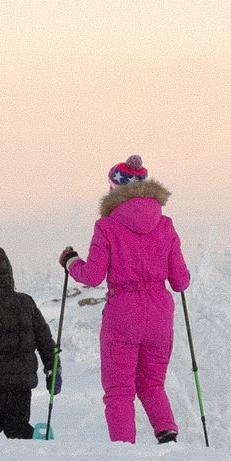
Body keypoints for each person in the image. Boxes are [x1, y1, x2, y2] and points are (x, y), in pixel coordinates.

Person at [60, 156, 190, 445]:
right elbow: (181, 281)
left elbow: (93, 276)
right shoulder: (166, 225)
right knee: (152, 383)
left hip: (123, 315)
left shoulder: (106, 227)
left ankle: (124, 451)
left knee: (119, 390)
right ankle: (167, 432)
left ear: (113, 190)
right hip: (159, 315)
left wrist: (71, 262)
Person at [0, 245, 57, 439]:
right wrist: (53, 370)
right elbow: (45, 341)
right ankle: (36, 459)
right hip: (21, 387)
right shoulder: (26, 303)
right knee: (17, 427)